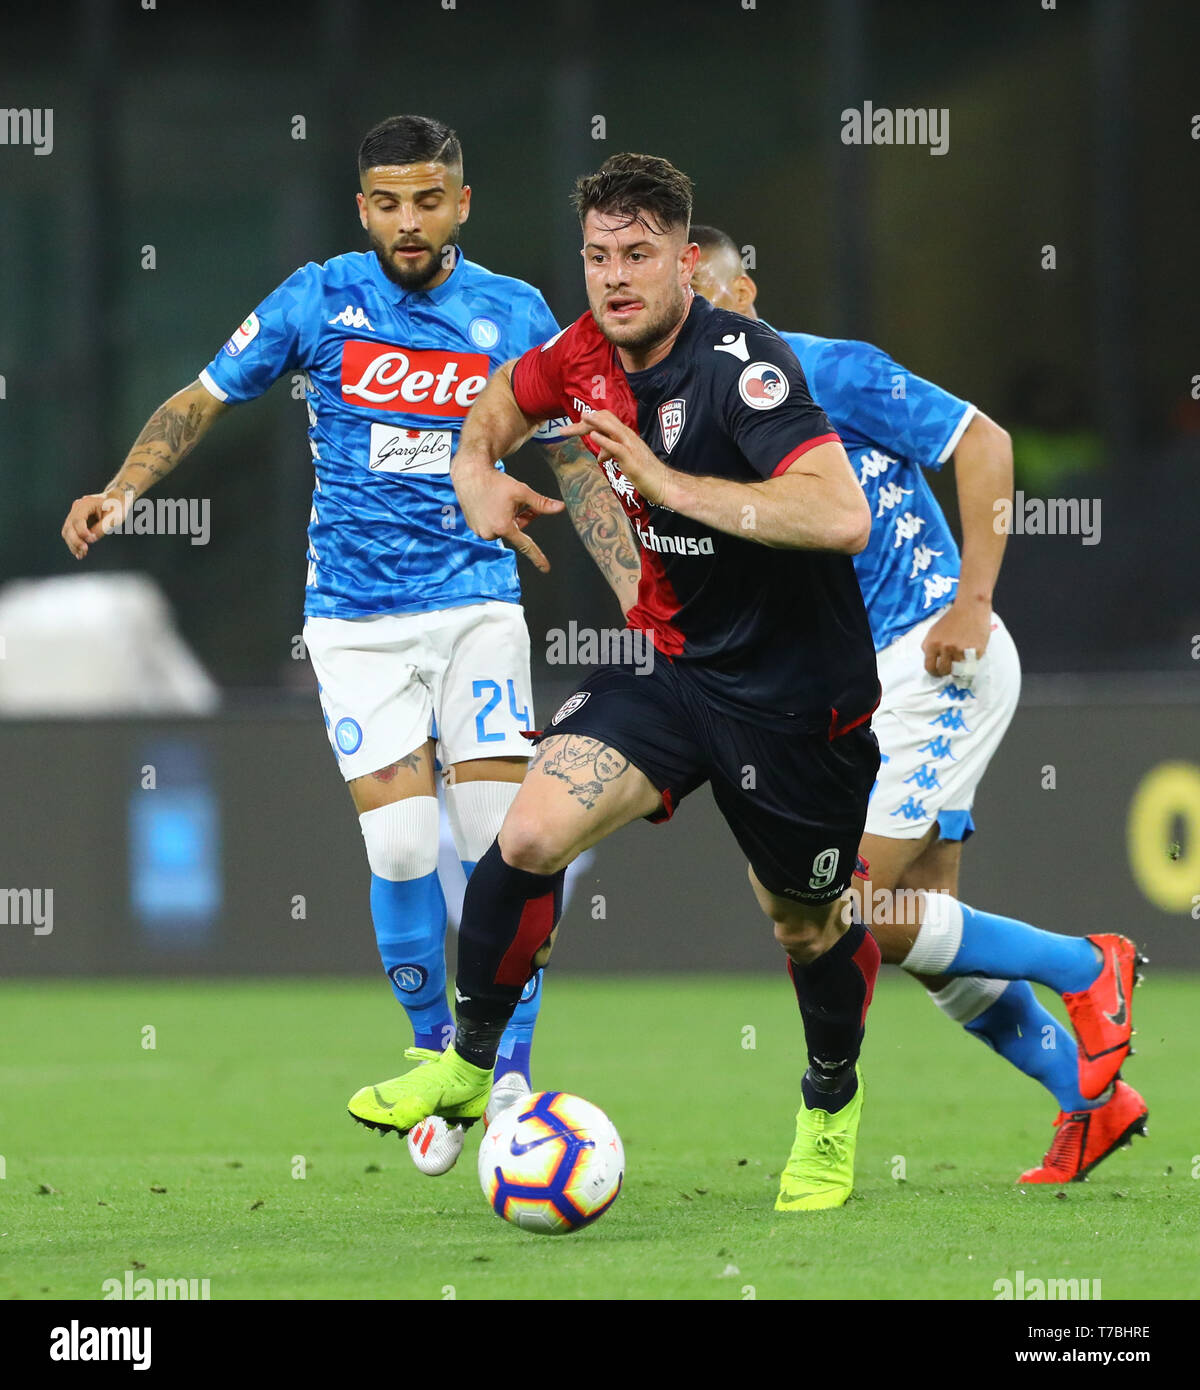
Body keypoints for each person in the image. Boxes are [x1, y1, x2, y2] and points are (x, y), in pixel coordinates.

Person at [60, 114, 640, 1177]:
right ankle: (432, 1053)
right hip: (357, 623)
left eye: (429, 199)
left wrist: (641, 592)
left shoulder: (513, 312)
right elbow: (202, 396)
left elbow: (575, 466)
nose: (409, 220)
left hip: (476, 609)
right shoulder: (319, 297)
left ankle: (501, 1066)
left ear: (462, 202)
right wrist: (124, 488)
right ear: (362, 206)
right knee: (405, 851)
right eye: (388, 201)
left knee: (509, 842)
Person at [348, 152, 887, 1212]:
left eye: (638, 255)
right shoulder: (579, 352)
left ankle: (830, 1104)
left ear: (687, 261)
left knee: (804, 926)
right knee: (530, 833)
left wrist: (666, 484)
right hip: (676, 672)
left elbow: (839, 516)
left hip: (797, 704)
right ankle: (470, 1060)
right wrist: (474, 475)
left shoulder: (745, 365)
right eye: (597, 257)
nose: (614, 278)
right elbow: (499, 403)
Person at [689, 224, 1147, 1183]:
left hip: (937, 658)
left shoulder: (825, 372)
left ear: (747, 296)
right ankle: (1088, 1099)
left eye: (712, 294)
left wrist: (974, 600)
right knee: (916, 925)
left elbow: (984, 440)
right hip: (860, 696)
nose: (697, 317)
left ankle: (1084, 965)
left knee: (836, 907)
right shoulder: (698, 429)